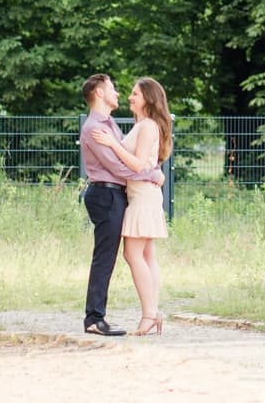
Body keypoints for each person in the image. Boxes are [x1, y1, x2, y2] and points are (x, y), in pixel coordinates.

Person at [79, 73, 164, 337]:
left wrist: (149, 171)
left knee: (138, 254)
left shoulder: (112, 125)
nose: (122, 94)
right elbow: (117, 166)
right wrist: (152, 174)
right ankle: (95, 318)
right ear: (100, 93)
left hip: (123, 195)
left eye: (133, 93)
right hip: (106, 195)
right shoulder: (95, 127)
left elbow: (131, 159)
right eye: (114, 88)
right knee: (108, 256)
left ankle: (151, 312)